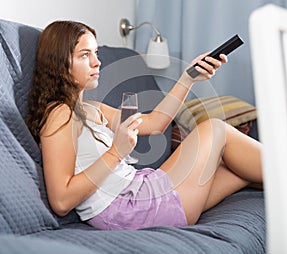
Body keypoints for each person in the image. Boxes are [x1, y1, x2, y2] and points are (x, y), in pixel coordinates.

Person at [26, 20, 263, 230]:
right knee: (214, 129)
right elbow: (61, 201)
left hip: (140, 190)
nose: (97, 62)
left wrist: (188, 78)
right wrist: (116, 152)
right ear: (60, 63)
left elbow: (155, 123)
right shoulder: (59, 113)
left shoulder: (92, 108)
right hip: (131, 209)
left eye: (96, 52)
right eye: (84, 55)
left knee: (236, 168)